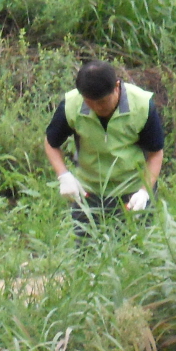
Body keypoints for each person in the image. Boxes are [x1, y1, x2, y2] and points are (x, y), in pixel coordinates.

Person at [44, 61, 164, 234]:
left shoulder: (141, 105)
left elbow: (155, 154)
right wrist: (63, 175)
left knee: (138, 252)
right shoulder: (72, 105)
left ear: (116, 86)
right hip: (89, 193)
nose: (97, 108)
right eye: (89, 102)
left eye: (102, 101)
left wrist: (144, 192)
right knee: (86, 251)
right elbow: (51, 142)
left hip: (132, 192)